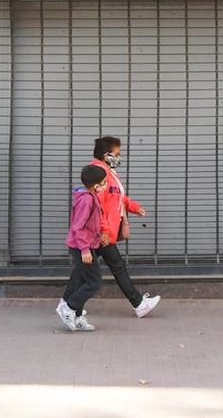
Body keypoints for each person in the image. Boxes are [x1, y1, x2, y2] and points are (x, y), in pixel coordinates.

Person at [91, 136, 161, 318]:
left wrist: (134, 207)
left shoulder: (108, 173)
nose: (119, 157)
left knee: (86, 271)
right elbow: (97, 206)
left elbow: (117, 197)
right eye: (117, 154)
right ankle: (138, 304)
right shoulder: (99, 174)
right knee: (112, 268)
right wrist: (105, 231)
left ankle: (67, 303)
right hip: (102, 232)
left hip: (105, 232)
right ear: (106, 155)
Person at [56, 164, 107, 332]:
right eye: (104, 182)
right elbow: (79, 226)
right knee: (94, 282)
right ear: (96, 185)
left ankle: (77, 316)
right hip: (81, 247)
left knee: (82, 280)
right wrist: (85, 249)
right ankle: (69, 307)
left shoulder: (90, 196)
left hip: (84, 245)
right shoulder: (87, 199)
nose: (106, 185)